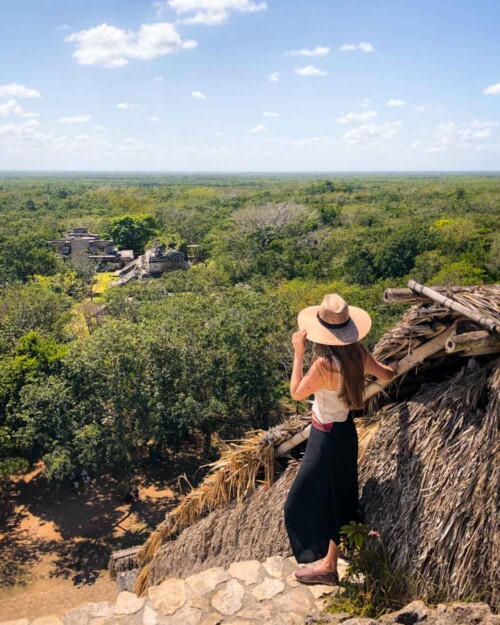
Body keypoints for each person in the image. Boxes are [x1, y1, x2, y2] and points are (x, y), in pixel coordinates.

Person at [284, 294, 399, 587]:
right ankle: (329, 561)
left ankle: (325, 565)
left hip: (324, 436)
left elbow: (296, 392)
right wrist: (393, 366)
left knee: (300, 500)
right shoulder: (357, 354)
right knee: (340, 497)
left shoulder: (323, 364)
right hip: (346, 432)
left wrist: (298, 353)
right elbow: (386, 374)